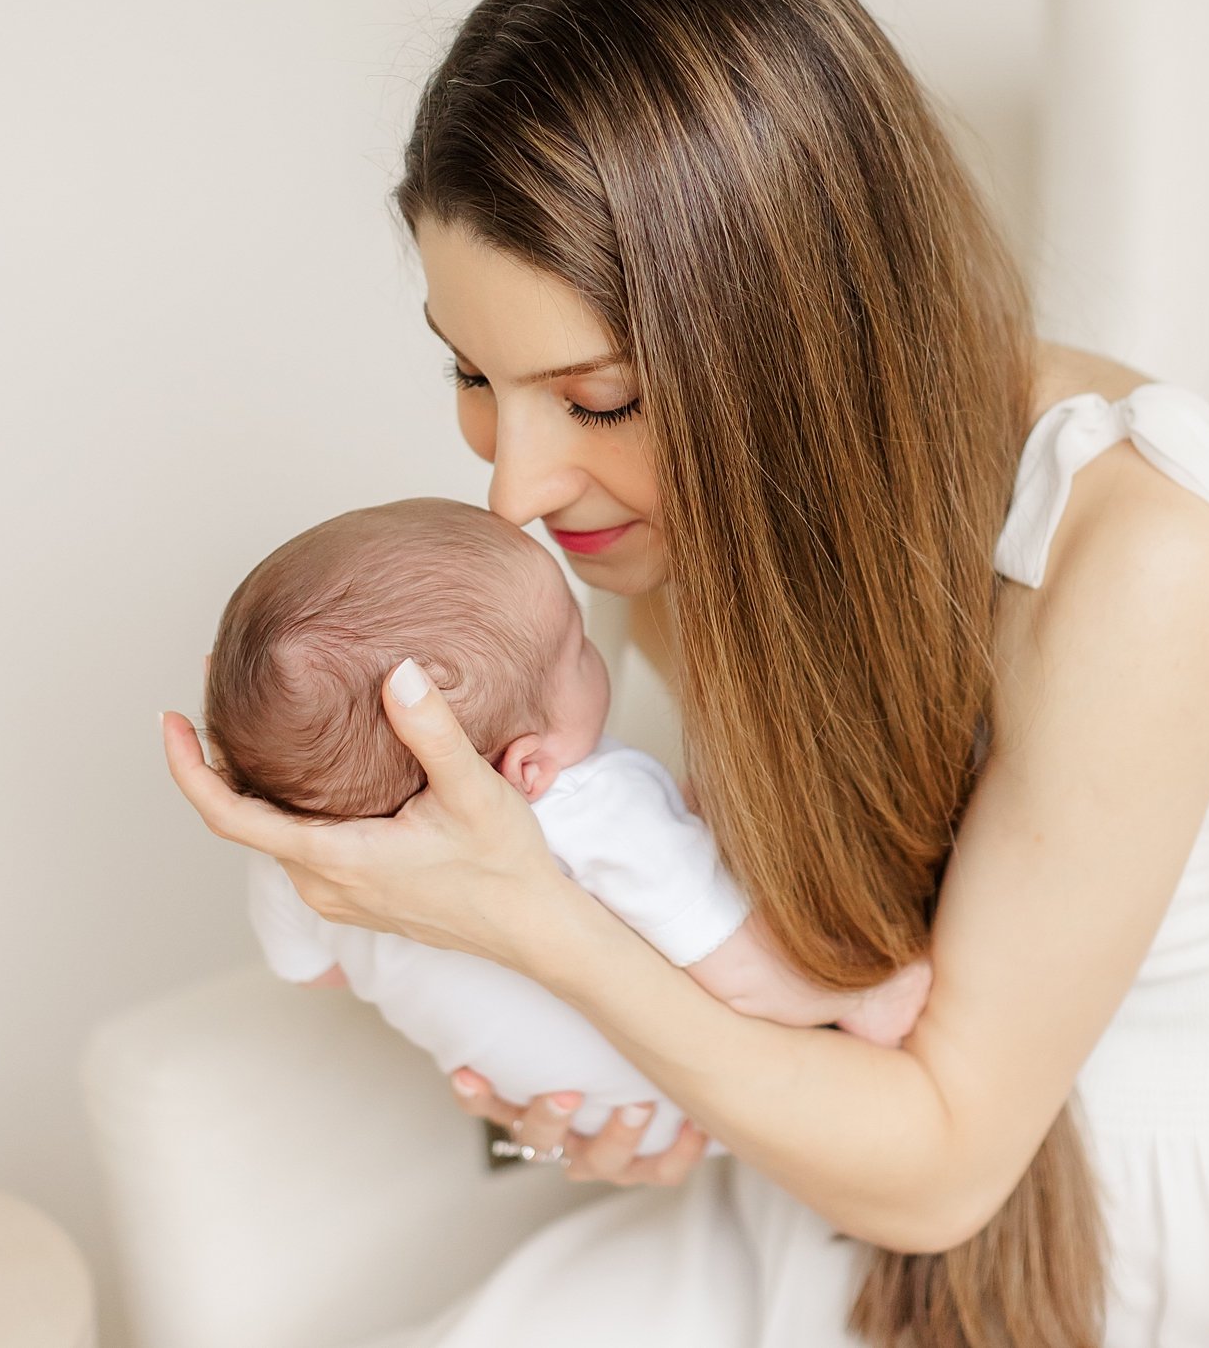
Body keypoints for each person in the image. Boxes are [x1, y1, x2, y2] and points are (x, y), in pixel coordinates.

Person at [165, 0, 1209, 1348]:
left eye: (600, 396)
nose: (512, 488)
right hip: (826, 1206)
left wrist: (535, 921)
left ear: (794, 337)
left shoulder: (1152, 551)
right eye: (471, 370)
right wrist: (581, 1110)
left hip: (1182, 1247)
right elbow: (755, 997)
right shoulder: (684, 529)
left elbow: (946, 1157)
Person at [205, 495, 933, 1157]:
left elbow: (315, 973)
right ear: (526, 768)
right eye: (578, 648)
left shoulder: (300, 862)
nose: (592, 655)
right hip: (712, 1101)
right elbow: (745, 976)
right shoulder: (596, 805)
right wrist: (854, 995)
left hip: (574, 1120)